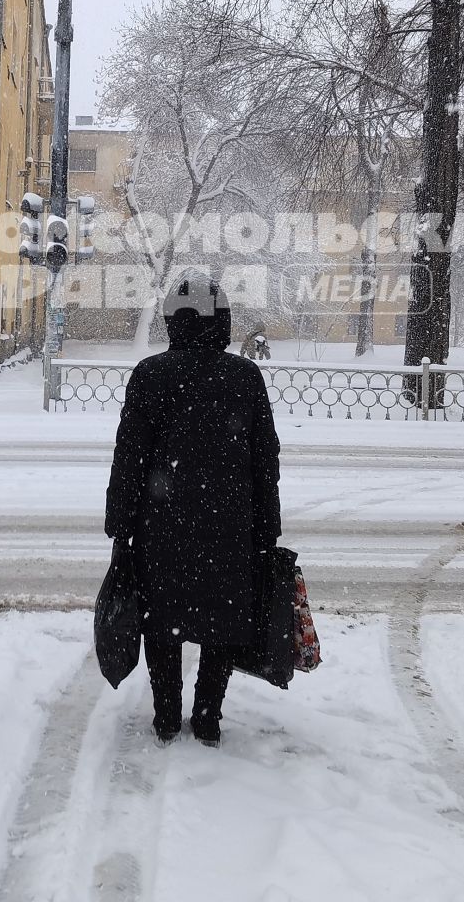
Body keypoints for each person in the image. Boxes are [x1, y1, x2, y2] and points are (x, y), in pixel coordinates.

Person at [105, 273, 283, 746]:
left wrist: (119, 524)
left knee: (162, 623)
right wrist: (268, 528)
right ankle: (207, 716)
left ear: (172, 323)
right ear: (221, 322)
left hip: (160, 525)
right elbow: (266, 460)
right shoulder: (244, 377)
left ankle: (166, 716)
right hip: (231, 526)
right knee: (221, 623)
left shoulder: (150, 375)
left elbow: (130, 457)